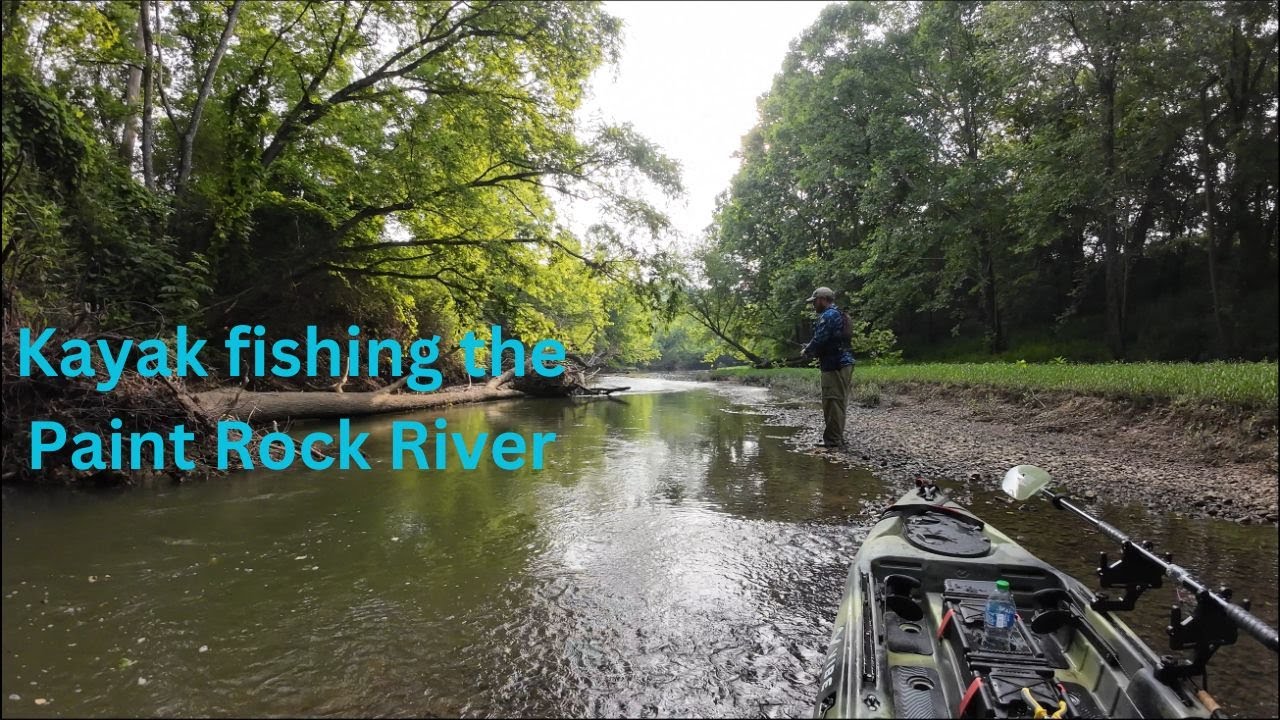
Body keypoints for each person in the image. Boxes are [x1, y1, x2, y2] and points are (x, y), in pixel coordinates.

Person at [800, 287, 854, 448]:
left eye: (814, 302)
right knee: (838, 402)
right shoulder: (837, 313)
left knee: (832, 402)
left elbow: (820, 339)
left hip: (835, 365)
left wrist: (807, 350)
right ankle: (837, 438)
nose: (813, 305)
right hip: (841, 363)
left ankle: (833, 441)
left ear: (822, 299)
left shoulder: (828, 315)